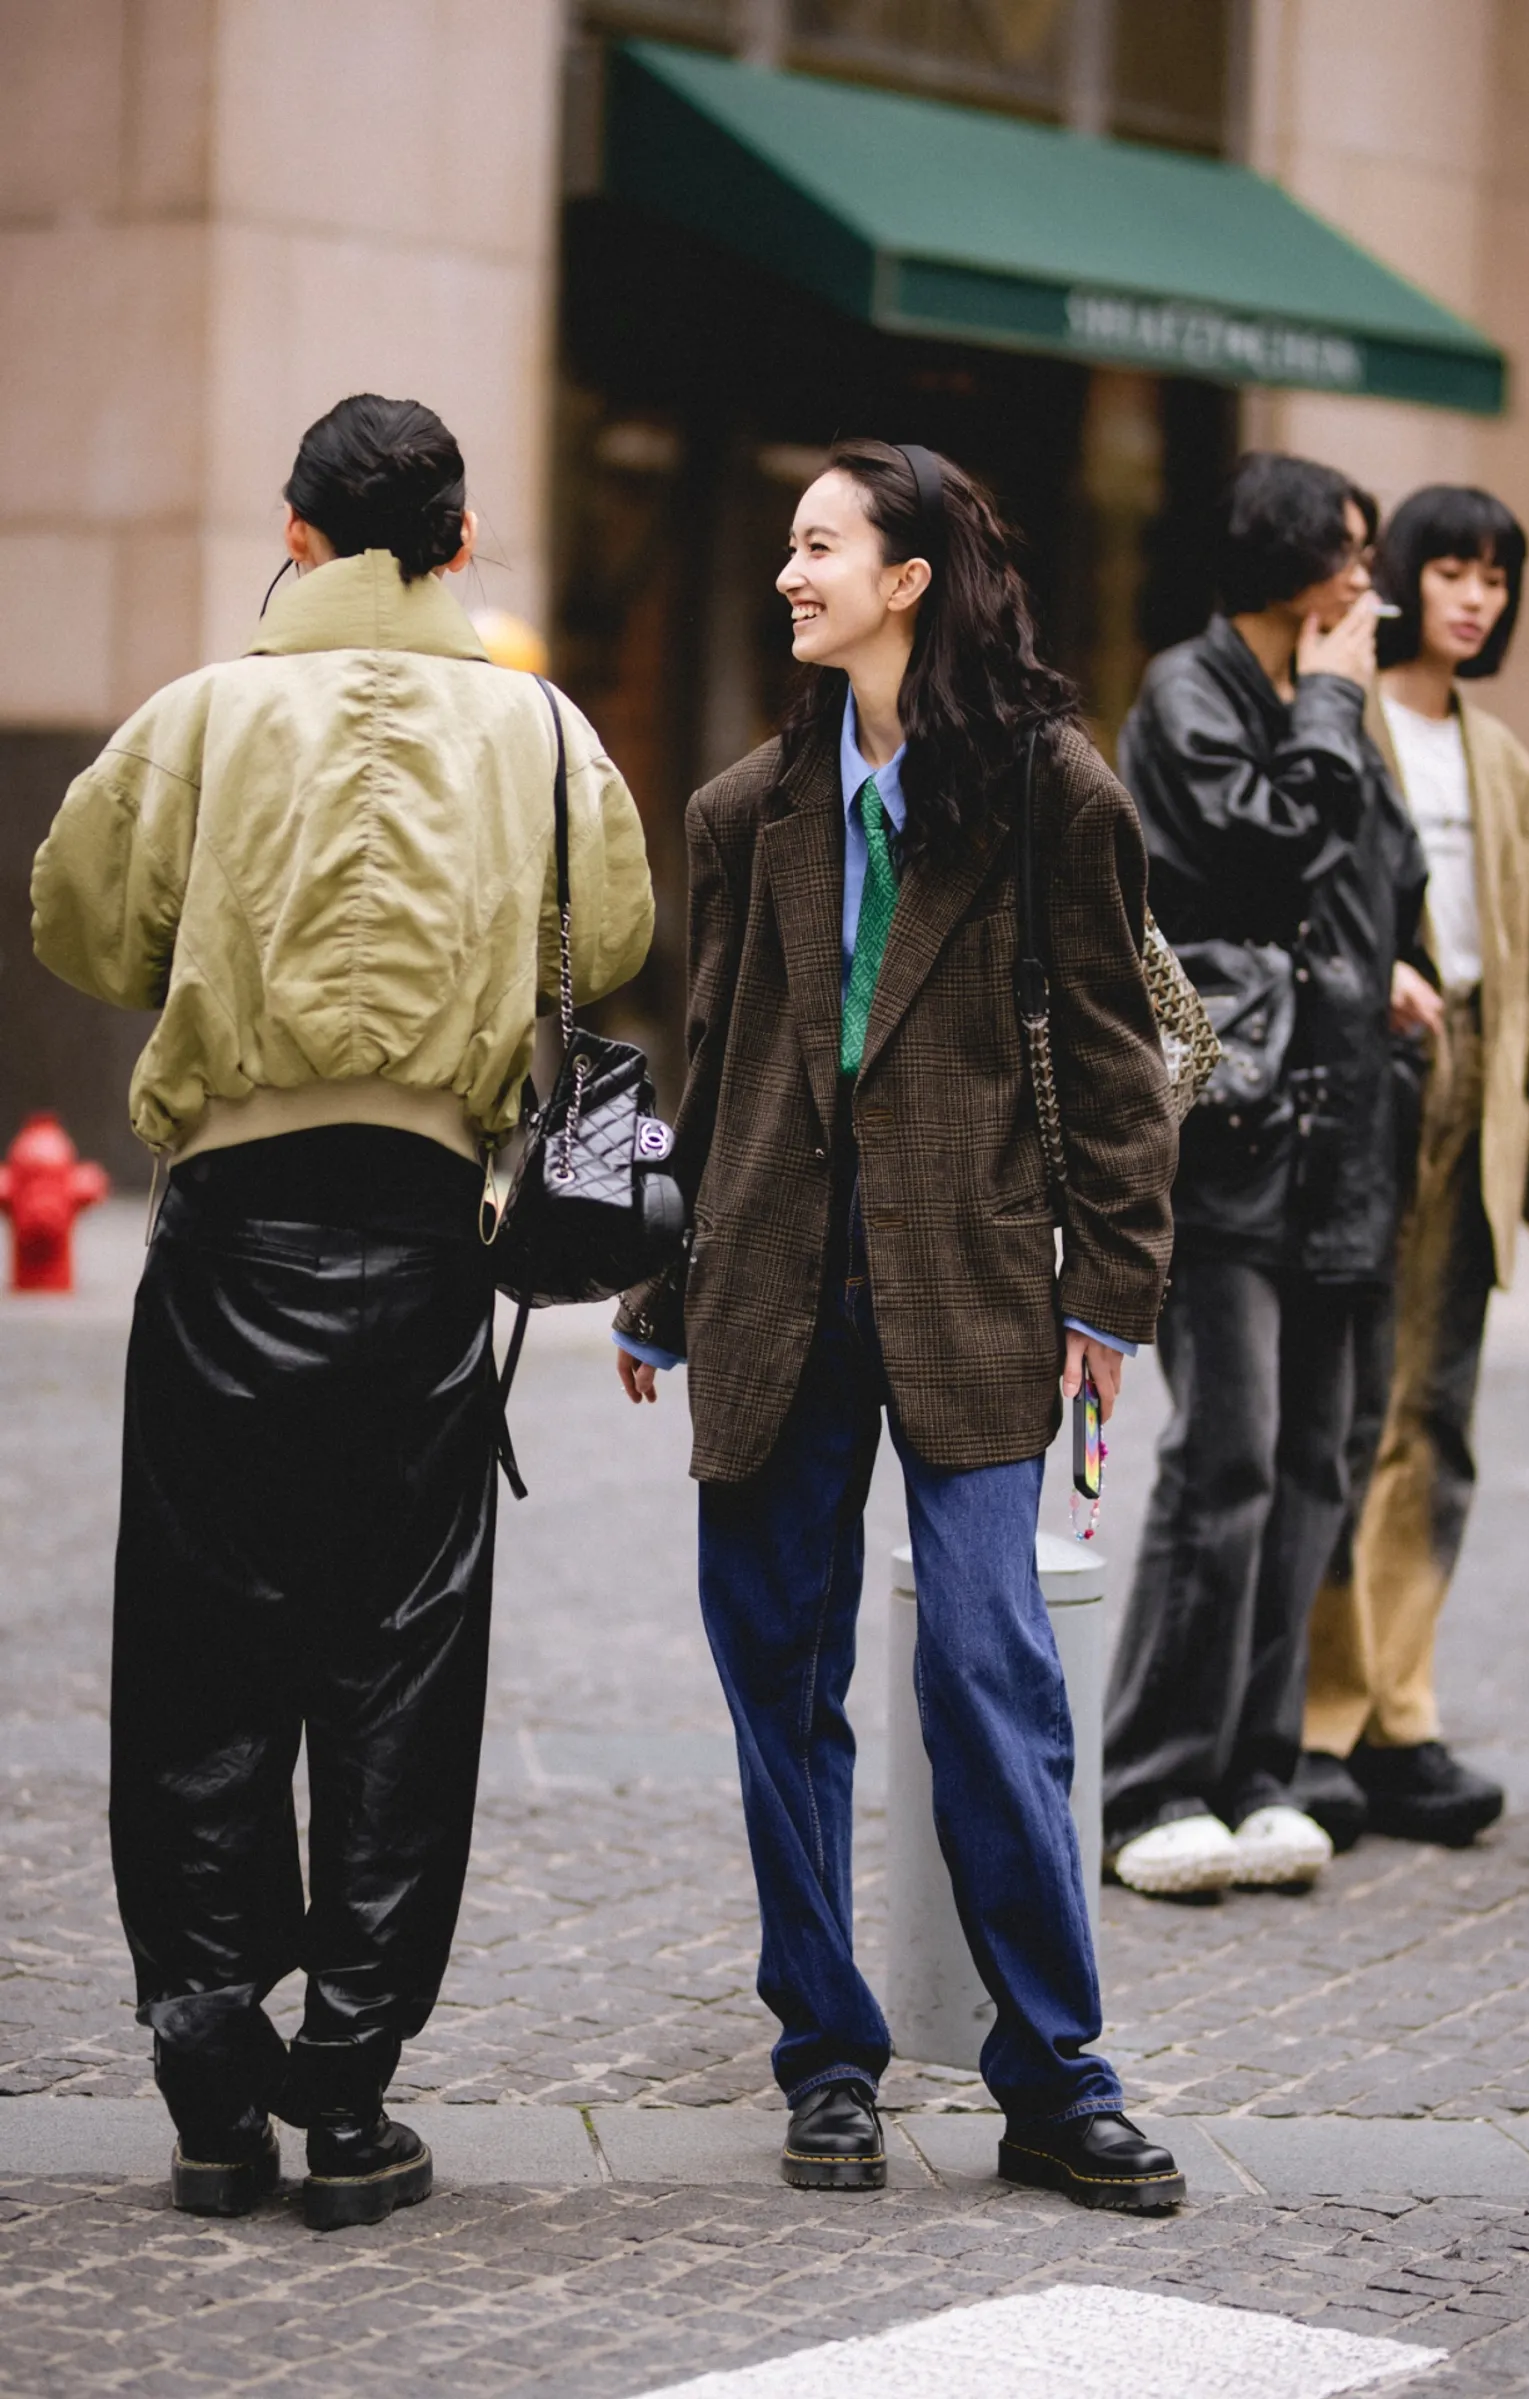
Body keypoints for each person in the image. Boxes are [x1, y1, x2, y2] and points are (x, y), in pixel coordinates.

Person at [31, 394, 653, 2226]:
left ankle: (212, 2092)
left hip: (227, 1233)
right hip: (423, 1251)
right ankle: (348, 2094)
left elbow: (78, 922)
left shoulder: (203, 715)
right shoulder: (540, 728)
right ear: (460, 545)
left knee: (200, 1663)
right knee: (401, 1671)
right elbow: (605, 938)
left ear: (294, 530)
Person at [613, 439, 1185, 2211]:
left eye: (821, 546)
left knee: (985, 1666)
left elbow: (1112, 1059)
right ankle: (825, 2052)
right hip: (777, 1284)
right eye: (788, 546)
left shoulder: (1047, 793)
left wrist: (1110, 1291)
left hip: (976, 1288)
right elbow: (716, 1072)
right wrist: (660, 1281)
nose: (793, 575)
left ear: (910, 574)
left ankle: (1051, 2066)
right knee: (777, 1676)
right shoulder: (745, 811)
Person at [1103, 452, 1429, 1901]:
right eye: (1351, 551)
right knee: (1223, 1458)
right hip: (1233, 1127)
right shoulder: (1194, 689)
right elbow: (1269, 844)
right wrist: (1332, 707)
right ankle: (1154, 1778)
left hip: (1342, 1122)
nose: (1370, 579)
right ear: (1294, 561)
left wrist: (1399, 974)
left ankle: (1259, 1763)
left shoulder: (1323, 700)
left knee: (1317, 1460)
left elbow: (1382, 870)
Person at [1297, 487, 1529, 1850]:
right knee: (1352, 1406)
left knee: (1440, 1414)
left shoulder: (1509, 763)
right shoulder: (1343, 721)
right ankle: (1326, 1717)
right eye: (1451, 570)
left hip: (1472, 1072)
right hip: (1370, 1072)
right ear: (1399, 578)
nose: (1473, 597)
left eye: (1494, 577)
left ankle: (1402, 1709)